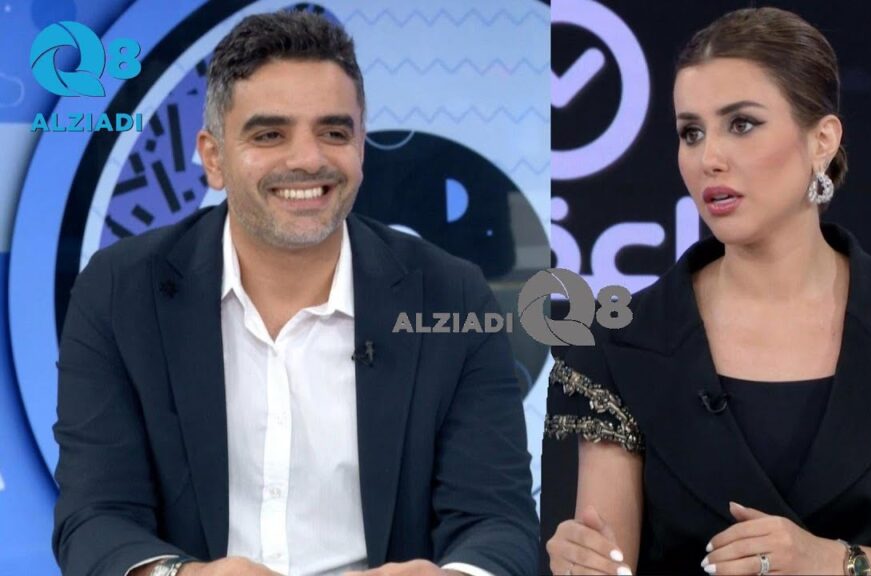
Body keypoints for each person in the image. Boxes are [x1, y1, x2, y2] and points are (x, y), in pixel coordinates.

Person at [52, 11, 537, 576]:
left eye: (334, 132)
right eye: (269, 135)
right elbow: (95, 517)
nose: (308, 159)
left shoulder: (452, 297)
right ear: (213, 157)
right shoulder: (120, 290)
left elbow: (498, 521)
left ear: (361, 148)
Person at [544, 7, 871, 576]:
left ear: (822, 140)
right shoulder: (622, 343)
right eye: (691, 132)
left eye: (741, 124)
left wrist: (833, 561)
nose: (709, 158)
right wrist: (583, 565)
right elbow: (609, 557)